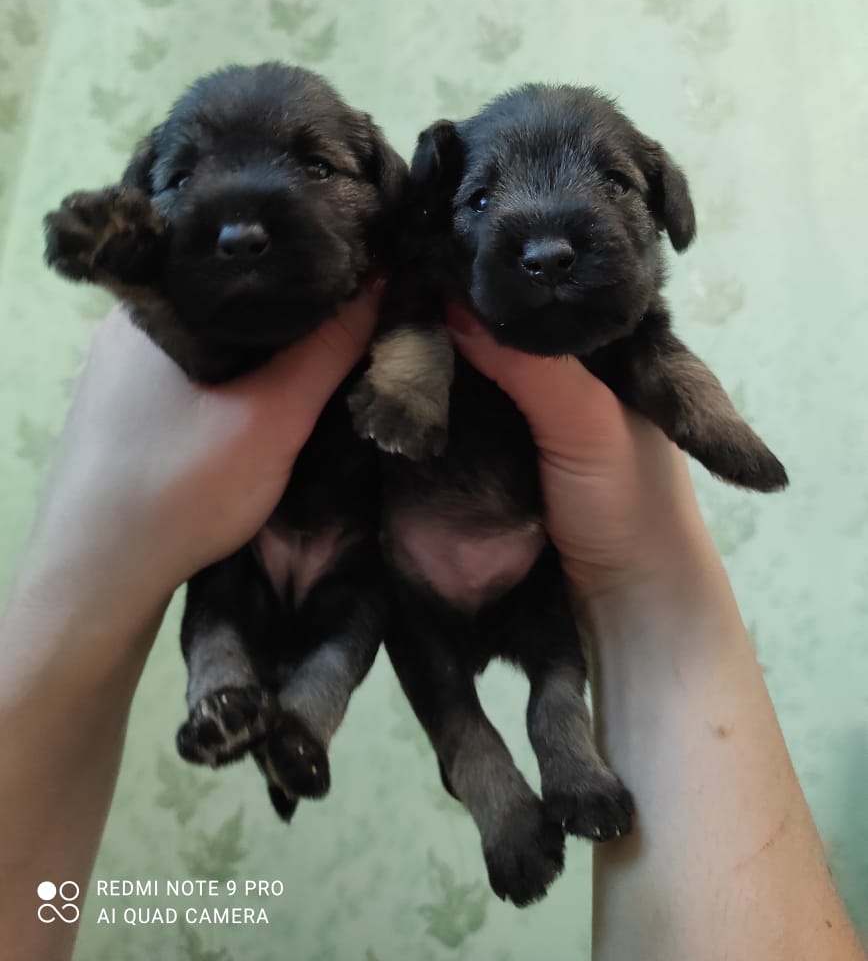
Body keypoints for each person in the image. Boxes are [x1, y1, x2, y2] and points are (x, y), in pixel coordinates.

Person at [0, 291, 863, 961]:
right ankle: (471, 785)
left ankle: (532, 769)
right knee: (394, 665)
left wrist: (649, 563)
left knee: (539, 682)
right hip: (382, 552)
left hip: (476, 554)